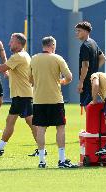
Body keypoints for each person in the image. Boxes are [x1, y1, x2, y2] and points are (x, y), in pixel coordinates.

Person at [0, 33, 37, 156]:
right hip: (21, 95)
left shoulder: (18, 56)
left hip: (22, 95)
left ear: (19, 44)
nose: (9, 44)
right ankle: (0, 147)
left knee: (32, 123)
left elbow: (0, 68)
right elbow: (17, 73)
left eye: (11, 41)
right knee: (10, 121)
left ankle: (42, 150)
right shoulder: (23, 55)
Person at [30, 36, 77, 168]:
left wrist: (39, 84)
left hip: (38, 99)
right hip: (55, 99)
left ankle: (41, 161)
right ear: (52, 45)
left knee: (41, 129)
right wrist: (61, 82)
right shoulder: (57, 58)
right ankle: (61, 160)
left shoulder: (34, 58)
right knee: (60, 127)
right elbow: (69, 77)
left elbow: (30, 79)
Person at [75, 21, 106, 107]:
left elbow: (85, 65)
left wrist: (81, 82)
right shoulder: (93, 43)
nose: (76, 33)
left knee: (88, 109)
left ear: (86, 31)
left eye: (79, 31)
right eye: (76, 31)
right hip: (93, 80)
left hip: (87, 83)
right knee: (92, 108)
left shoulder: (85, 46)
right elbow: (103, 58)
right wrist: (94, 70)